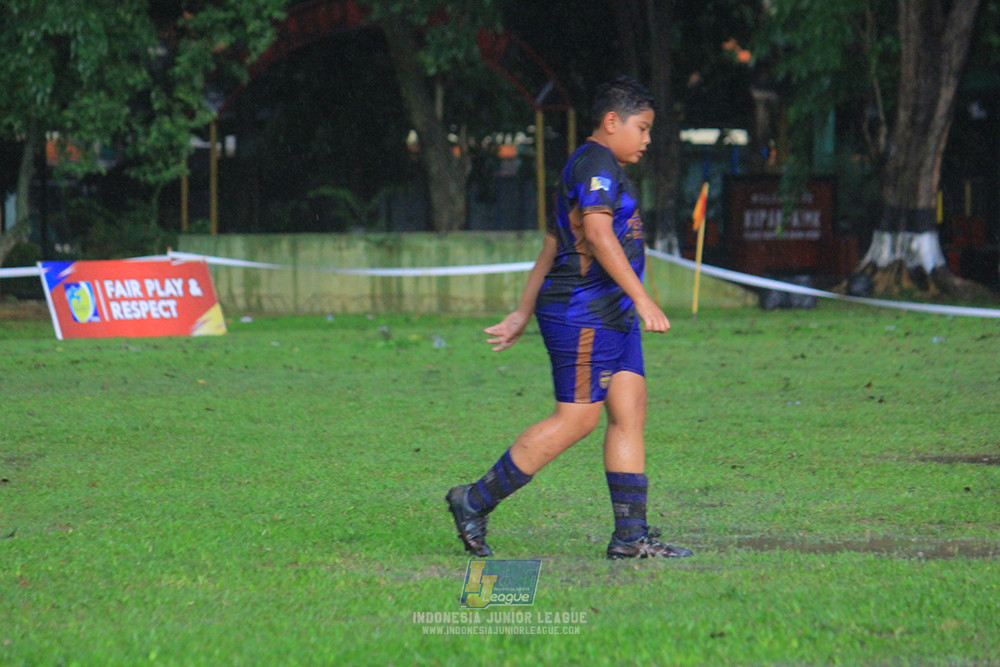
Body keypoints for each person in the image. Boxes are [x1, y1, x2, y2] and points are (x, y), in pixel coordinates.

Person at [446, 76, 692, 560]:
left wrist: (521, 310)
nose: (646, 139)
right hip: (583, 312)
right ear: (611, 122)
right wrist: (643, 299)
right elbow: (598, 237)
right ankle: (472, 500)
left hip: (609, 311)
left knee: (629, 408)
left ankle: (630, 536)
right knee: (577, 419)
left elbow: (553, 244)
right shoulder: (596, 163)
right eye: (642, 129)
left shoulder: (596, 167)